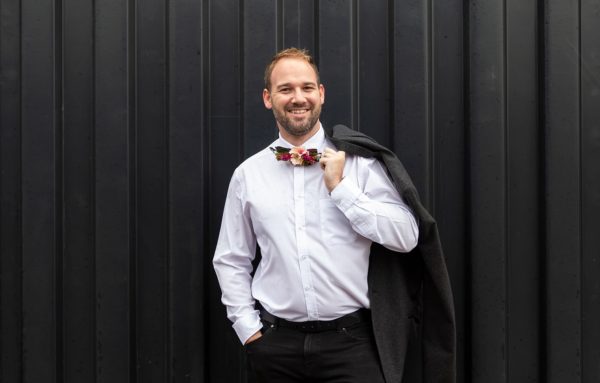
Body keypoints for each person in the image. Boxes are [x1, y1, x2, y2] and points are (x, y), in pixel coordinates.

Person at [213, 48, 455, 383]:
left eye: (307, 87)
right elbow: (231, 258)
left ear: (321, 93)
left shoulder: (361, 164)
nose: (299, 98)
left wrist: (342, 189)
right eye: (286, 89)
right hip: (275, 348)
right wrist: (249, 332)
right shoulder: (248, 175)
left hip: (354, 347)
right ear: (268, 98)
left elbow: (408, 237)